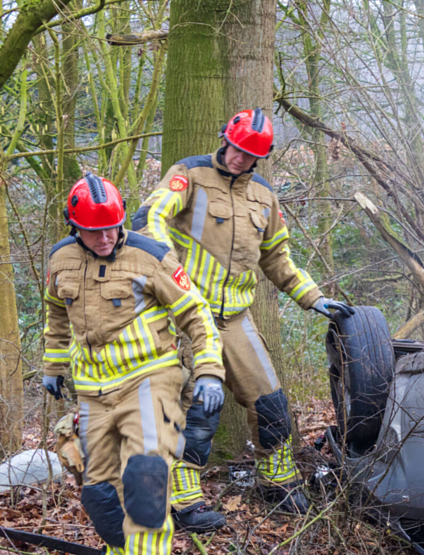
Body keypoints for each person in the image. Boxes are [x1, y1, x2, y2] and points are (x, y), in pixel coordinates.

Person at [132, 108, 353, 531]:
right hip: (184, 315)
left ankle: (278, 481)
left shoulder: (264, 198)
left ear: (260, 156)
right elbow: (150, 218)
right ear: (224, 140)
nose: (239, 158)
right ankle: (184, 499)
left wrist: (315, 297)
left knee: (270, 401)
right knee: (197, 405)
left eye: (250, 153)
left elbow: (278, 258)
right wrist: (172, 275)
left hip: (235, 317)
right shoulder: (189, 175)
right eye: (236, 148)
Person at [43, 173, 225, 555]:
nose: (105, 238)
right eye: (93, 230)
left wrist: (209, 371)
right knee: (99, 494)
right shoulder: (60, 261)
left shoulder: (152, 256)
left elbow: (196, 315)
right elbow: (56, 314)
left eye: (112, 227)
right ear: (74, 226)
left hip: (150, 376)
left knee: (145, 472)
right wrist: (52, 366)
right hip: (92, 390)